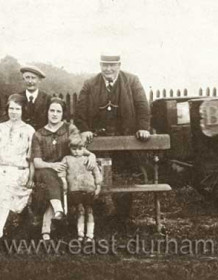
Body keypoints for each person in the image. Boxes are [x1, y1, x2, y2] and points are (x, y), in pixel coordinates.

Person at [74, 53, 151, 226]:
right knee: (96, 175)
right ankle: (97, 212)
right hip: (98, 141)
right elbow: (79, 112)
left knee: (122, 175)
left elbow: (142, 106)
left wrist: (142, 128)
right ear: (100, 65)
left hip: (124, 140)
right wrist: (85, 129)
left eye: (112, 65)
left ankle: (122, 216)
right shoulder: (90, 84)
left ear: (119, 65)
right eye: (104, 65)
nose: (108, 69)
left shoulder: (132, 81)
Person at [32, 98, 97, 241]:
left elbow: (78, 147)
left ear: (63, 114)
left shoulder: (69, 129)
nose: (54, 114)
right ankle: (57, 213)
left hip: (66, 169)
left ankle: (46, 231)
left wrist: (91, 155)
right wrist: (52, 165)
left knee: (60, 181)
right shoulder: (38, 134)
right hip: (45, 169)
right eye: (52, 110)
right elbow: (37, 162)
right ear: (47, 112)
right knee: (51, 177)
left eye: (58, 111)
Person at [0, 94, 35, 238]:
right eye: (11, 108)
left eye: (17, 109)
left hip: (19, 172)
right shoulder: (1, 128)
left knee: (4, 190)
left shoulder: (29, 130)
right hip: (1, 169)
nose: (13, 112)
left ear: (23, 111)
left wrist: (31, 178)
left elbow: (32, 158)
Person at [59, 135, 102, 242]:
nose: (77, 152)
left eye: (80, 149)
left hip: (89, 188)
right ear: (69, 149)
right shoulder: (67, 159)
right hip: (75, 190)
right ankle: (80, 234)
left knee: (89, 210)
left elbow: (96, 173)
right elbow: (62, 172)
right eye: (74, 149)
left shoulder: (88, 159)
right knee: (80, 210)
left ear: (84, 149)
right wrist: (64, 181)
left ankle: (90, 235)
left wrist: (98, 186)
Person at [19, 65, 51, 130]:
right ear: (23, 79)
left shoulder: (48, 99)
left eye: (33, 78)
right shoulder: (17, 98)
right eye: (27, 77)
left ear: (39, 80)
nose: (30, 81)